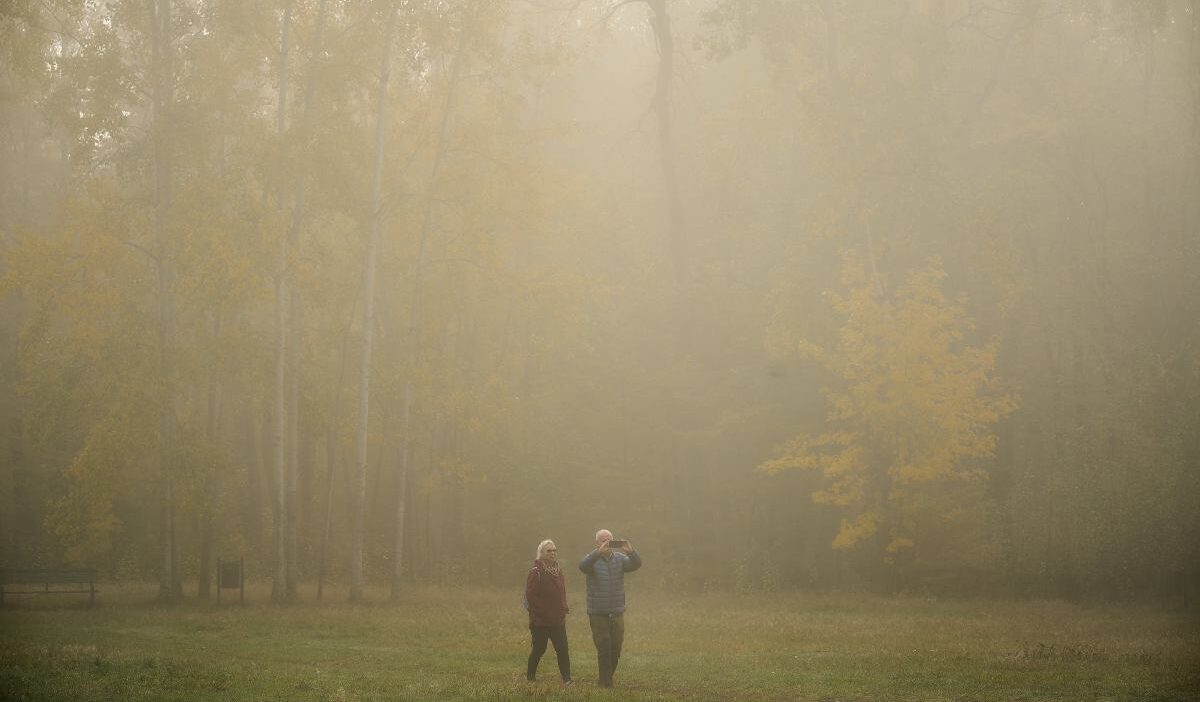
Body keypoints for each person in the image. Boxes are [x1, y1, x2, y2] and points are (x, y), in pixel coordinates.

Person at [578, 528, 642, 688]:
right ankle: (606, 684)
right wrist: (597, 553)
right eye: (603, 540)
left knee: (616, 648)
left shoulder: (620, 559)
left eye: (609, 539)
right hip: (598, 613)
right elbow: (582, 567)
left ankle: (605, 678)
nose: (606, 542)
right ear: (597, 542)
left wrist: (631, 552)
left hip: (617, 611)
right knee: (604, 647)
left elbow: (636, 564)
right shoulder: (591, 559)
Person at [525, 539, 572, 684]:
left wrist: (563, 607)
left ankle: (567, 680)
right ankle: (530, 677)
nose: (552, 553)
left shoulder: (558, 571)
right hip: (541, 621)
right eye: (549, 550)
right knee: (539, 649)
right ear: (541, 553)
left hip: (558, 619)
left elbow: (561, 592)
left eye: (554, 550)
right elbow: (530, 596)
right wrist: (543, 613)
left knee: (563, 649)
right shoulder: (536, 572)